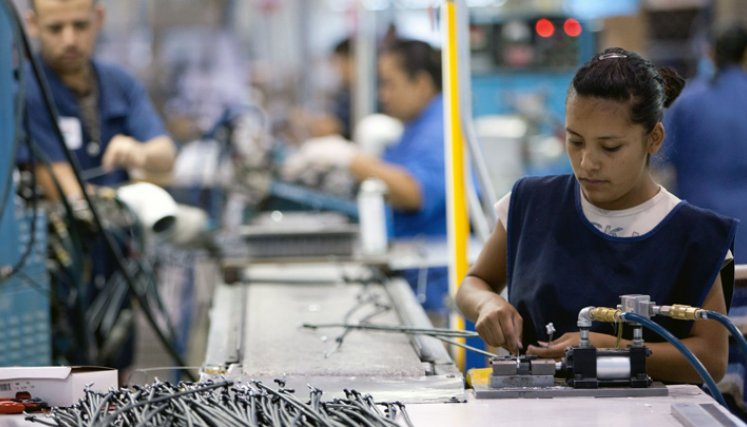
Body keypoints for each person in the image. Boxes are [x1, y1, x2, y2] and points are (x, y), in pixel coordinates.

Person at [455, 47, 737, 384]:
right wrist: (487, 305)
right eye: (575, 142)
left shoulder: (696, 236)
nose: (588, 162)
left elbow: (710, 359)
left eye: (610, 147)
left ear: (654, 139)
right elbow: (474, 283)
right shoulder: (531, 202)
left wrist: (605, 349)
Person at [20, 0, 176, 379]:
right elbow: (64, 190)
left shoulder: (118, 83)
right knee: (61, 383)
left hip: (116, 262)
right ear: (33, 24)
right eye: (56, 28)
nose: (70, 39)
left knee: (115, 375)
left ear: (98, 19)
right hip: (58, 274)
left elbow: (165, 155)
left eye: (80, 25)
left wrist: (138, 150)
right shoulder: (23, 91)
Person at [283, 39, 449, 319]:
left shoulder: (439, 126)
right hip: (412, 274)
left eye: (389, 84)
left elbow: (415, 192)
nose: (383, 95)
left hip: (432, 288)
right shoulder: (415, 126)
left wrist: (349, 157)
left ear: (420, 83)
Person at [662, 23, 747, 264]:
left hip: (699, 227)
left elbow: (661, 157)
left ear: (710, 54)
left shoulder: (687, 102)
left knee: (707, 295)